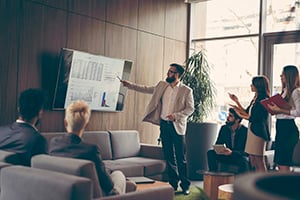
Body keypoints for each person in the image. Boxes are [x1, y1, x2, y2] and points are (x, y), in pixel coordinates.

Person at [121, 63, 194, 195]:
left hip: (177, 127)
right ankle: (173, 183)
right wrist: (129, 85)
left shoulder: (186, 90)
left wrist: (176, 116)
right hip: (164, 125)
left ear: (178, 75)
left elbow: (190, 109)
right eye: (168, 71)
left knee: (181, 158)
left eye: (171, 72)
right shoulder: (162, 85)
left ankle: (185, 185)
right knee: (169, 157)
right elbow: (146, 89)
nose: (168, 74)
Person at [49, 100, 127, 196]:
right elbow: (108, 185)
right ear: (86, 124)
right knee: (118, 175)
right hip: (94, 195)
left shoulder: (54, 144)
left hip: (63, 193)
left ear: (65, 122)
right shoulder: (91, 150)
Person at [229, 75, 271, 172]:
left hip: (258, 133)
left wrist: (240, 115)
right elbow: (246, 112)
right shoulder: (255, 99)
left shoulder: (263, 100)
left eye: (253, 84)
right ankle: (257, 180)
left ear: (258, 86)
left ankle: (263, 183)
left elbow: (253, 118)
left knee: (259, 160)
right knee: (253, 159)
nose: (251, 86)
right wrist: (236, 102)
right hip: (252, 131)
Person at [0, 88, 47, 166]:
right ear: (40, 112)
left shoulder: (1, 131)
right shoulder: (37, 139)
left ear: (19, 109)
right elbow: (41, 168)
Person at [267, 65, 300, 172]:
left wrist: (280, 110)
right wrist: (274, 109)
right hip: (281, 127)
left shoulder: (296, 92)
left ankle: (287, 187)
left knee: (283, 162)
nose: (281, 76)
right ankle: (284, 186)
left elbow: (298, 112)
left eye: (283, 74)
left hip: (288, 129)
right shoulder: (285, 90)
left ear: (289, 76)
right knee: (280, 163)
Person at [207, 108, 249, 173]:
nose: (227, 117)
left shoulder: (245, 131)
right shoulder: (224, 128)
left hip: (237, 156)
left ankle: (241, 181)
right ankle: (214, 176)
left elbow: (246, 152)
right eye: (228, 115)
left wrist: (232, 152)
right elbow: (218, 143)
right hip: (226, 154)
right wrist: (220, 149)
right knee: (210, 153)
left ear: (237, 120)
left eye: (230, 116)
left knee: (244, 161)